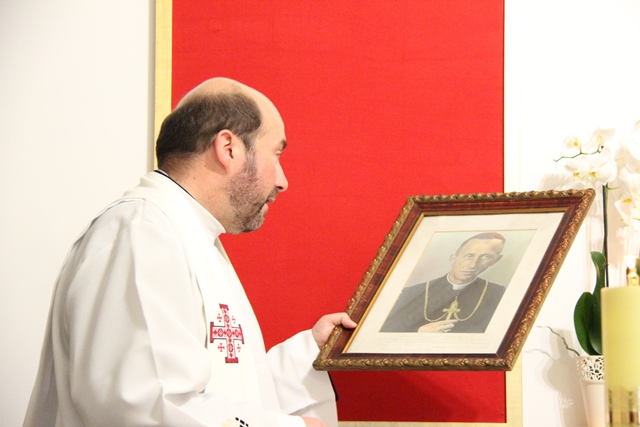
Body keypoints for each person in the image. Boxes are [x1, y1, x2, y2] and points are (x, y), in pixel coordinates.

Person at [23, 78, 356, 427]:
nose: (282, 181)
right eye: (276, 153)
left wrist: (310, 353)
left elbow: (224, 389)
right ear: (228, 148)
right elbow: (145, 406)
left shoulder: (188, 235)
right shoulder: (143, 231)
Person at [380, 232, 506, 334]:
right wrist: (418, 333)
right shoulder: (412, 292)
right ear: (453, 259)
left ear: (495, 261)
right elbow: (385, 332)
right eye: (469, 256)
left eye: (486, 257)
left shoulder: (499, 294)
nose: (473, 265)